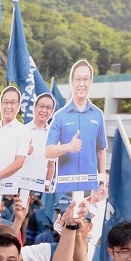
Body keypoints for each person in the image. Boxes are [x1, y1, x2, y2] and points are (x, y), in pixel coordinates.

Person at [44, 60, 108, 192]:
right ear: (71, 82)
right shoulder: (60, 116)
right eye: (78, 79)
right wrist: (68, 147)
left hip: (90, 189)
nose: (82, 84)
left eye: (86, 79)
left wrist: (102, 179)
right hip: (65, 189)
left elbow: (101, 150)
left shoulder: (98, 115)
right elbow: (48, 151)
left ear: (90, 83)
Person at [19, 93, 57, 192]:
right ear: (35, 108)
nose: (44, 110)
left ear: (52, 112)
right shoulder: (22, 131)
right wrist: (23, 151)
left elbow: (51, 165)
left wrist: (47, 184)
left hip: (38, 189)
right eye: (41, 106)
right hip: (18, 185)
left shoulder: (54, 137)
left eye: (48, 108)